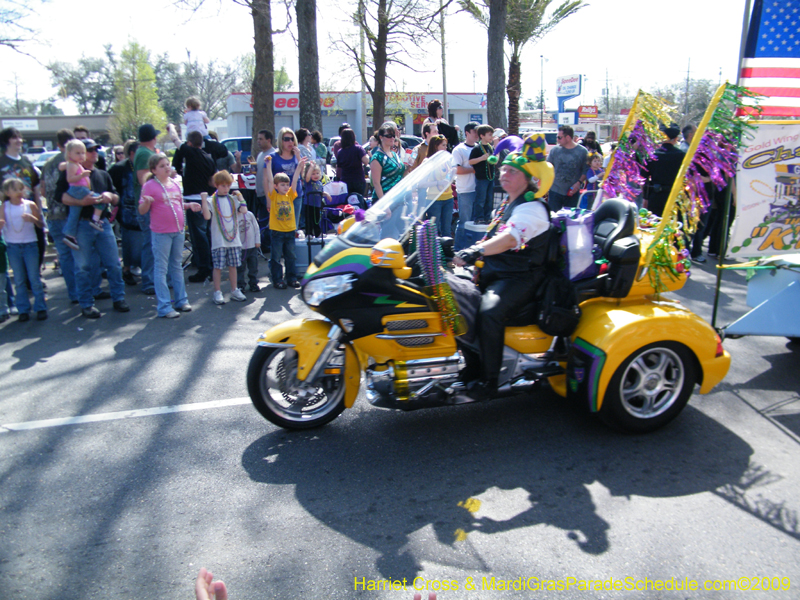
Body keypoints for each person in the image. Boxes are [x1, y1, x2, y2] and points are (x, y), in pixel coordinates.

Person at [452, 133, 554, 400]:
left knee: (489, 312)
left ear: (529, 177)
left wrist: (475, 251)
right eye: (504, 169)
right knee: (453, 297)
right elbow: (493, 236)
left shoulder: (532, 209)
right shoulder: (510, 203)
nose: (504, 174)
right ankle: (473, 366)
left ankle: (490, 379)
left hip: (521, 278)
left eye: (512, 170)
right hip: (498, 272)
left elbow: (509, 239)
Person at [60, 139, 130, 318]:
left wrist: (110, 196)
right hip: (82, 224)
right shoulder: (71, 171)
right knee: (83, 266)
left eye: (94, 150)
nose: (92, 153)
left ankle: (118, 298)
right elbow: (60, 197)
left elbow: (116, 197)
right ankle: (86, 303)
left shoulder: (102, 174)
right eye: (88, 150)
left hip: (103, 223)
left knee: (113, 263)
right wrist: (81, 202)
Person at [139, 154, 200, 318]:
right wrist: (146, 202)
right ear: (154, 170)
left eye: (167, 164)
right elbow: (142, 210)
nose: (167, 168)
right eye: (161, 166)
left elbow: (177, 205)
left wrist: (189, 205)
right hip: (161, 233)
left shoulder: (174, 184)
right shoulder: (150, 186)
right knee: (161, 268)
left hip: (178, 231)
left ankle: (181, 300)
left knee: (176, 266)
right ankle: (164, 306)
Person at [173, 130, 222, 282]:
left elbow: (175, 139)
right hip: (208, 199)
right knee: (207, 234)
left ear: (189, 143)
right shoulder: (208, 157)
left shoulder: (191, 153)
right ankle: (212, 266)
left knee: (199, 236)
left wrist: (171, 128)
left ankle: (204, 268)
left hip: (195, 199)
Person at [42, 128, 81, 302]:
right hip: (68, 213)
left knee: (64, 256)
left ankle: (73, 293)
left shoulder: (47, 163)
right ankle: (82, 293)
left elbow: (43, 190)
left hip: (52, 214)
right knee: (77, 254)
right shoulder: (70, 163)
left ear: (57, 144)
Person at [0, 177, 47, 321]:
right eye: (15, 189)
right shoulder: (5, 206)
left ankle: (40, 307)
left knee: (34, 278)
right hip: (13, 246)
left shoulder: (29, 204)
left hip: (30, 244)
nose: (19, 192)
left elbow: (41, 224)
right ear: (7, 192)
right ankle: (23, 309)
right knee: (19, 279)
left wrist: (33, 219)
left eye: (21, 188)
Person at [201, 170, 248, 305]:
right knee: (218, 267)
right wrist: (204, 200)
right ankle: (217, 291)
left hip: (233, 239)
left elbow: (244, 210)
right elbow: (207, 216)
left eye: (228, 185)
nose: (226, 188)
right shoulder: (212, 200)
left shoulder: (233, 200)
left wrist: (240, 196)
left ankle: (234, 290)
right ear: (216, 185)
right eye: (222, 186)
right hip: (219, 240)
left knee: (233, 265)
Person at [265, 154, 307, 289]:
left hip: (289, 230)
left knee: (291, 256)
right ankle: (277, 279)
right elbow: (270, 180)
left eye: (286, 185)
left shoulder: (290, 195)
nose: (285, 187)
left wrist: (299, 166)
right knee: (276, 257)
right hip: (277, 231)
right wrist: (269, 165)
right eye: (282, 185)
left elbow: (295, 181)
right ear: (276, 186)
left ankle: (291, 278)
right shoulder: (274, 195)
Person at [109, 140, 142, 286]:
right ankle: (127, 270)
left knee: (141, 244)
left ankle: (139, 268)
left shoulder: (143, 166)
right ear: (132, 153)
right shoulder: (119, 168)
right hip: (126, 213)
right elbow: (110, 186)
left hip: (142, 211)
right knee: (128, 243)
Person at [60, 139, 107, 241]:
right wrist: (82, 175)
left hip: (79, 190)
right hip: (78, 190)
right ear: (69, 154)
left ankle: (69, 235)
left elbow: (61, 166)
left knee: (74, 215)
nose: (81, 155)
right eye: (78, 153)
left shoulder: (74, 164)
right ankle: (95, 220)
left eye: (82, 153)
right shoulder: (72, 164)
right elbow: (70, 179)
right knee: (100, 200)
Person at [133, 124, 160, 295]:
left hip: (154, 206)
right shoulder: (143, 153)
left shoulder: (146, 153)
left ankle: (156, 279)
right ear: (152, 137)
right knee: (150, 244)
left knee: (155, 244)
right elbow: (144, 179)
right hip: (148, 206)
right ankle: (149, 281)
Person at [644, 124, 685, 217]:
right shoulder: (681, 155)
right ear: (675, 139)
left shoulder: (652, 155)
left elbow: (644, 177)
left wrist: (645, 198)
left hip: (655, 196)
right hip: (674, 196)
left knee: (654, 224)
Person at [546, 125, 588, 211]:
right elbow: (548, 168)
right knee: (553, 218)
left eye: (559, 137)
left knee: (569, 219)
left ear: (568, 137)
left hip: (572, 192)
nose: (557, 140)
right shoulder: (554, 150)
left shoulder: (582, 152)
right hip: (555, 191)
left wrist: (578, 183)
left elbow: (586, 170)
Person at [452, 122, 479, 250]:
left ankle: (471, 249)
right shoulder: (459, 149)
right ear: (467, 133)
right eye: (474, 131)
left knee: (475, 223)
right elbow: (456, 169)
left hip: (478, 190)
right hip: (465, 191)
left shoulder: (480, 147)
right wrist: (474, 169)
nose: (477, 135)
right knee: (464, 222)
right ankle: (458, 249)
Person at [423, 135, 454, 237]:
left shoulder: (447, 161)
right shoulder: (428, 161)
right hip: (434, 199)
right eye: (443, 145)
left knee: (447, 230)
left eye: (446, 145)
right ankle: (433, 252)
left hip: (448, 198)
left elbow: (451, 177)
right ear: (436, 146)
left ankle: (447, 251)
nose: (446, 148)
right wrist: (438, 183)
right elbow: (421, 184)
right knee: (434, 231)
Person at [271, 127, 302, 228]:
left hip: (295, 194)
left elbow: (304, 175)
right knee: (280, 225)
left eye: (292, 139)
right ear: (281, 140)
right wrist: (268, 199)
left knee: (294, 225)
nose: (290, 142)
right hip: (279, 196)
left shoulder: (297, 155)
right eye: (286, 139)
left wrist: (298, 157)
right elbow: (267, 179)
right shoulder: (273, 157)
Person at [370, 121, 405, 204]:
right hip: (383, 199)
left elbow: (401, 173)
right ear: (381, 137)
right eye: (389, 136)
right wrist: (383, 205)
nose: (392, 138)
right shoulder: (377, 157)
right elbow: (376, 183)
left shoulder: (394, 154)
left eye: (393, 136)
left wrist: (410, 166)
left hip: (397, 198)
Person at [469, 124, 496, 223]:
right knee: (480, 199)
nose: (491, 137)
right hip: (481, 178)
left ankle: (487, 217)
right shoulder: (477, 148)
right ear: (482, 136)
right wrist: (481, 158)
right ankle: (479, 217)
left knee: (489, 199)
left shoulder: (490, 147)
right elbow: (470, 161)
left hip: (490, 177)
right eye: (489, 135)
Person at [335, 128, 368, 197]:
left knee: (347, 202)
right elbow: (366, 161)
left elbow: (338, 168)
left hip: (345, 180)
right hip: (358, 179)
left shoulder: (340, 152)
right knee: (359, 200)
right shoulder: (358, 149)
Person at [302, 161, 331, 238]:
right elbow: (307, 178)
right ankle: (309, 233)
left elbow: (320, 192)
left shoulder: (319, 183)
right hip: (309, 203)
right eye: (313, 173)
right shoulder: (309, 182)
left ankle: (318, 233)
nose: (316, 175)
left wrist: (326, 194)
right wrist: (311, 167)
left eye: (317, 173)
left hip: (317, 204)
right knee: (309, 219)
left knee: (317, 219)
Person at [237, 205, 261, 293]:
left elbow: (256, 228)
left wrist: (257, 241)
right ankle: (240, 285)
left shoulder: (250, 214)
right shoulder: (234, 216)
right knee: (240, 268)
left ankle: (253, 283)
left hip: (252, 246)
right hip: (240, 248)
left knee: (253, 267)